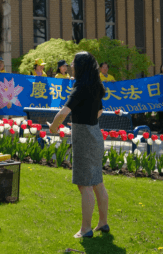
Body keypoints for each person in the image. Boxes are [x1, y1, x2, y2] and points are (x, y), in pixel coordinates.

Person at [49, 52, 109, 239]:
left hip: (84, 139)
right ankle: (103, 223)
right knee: (97, 182)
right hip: (95, 135)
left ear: (81, 66)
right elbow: (99, 112)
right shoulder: (96, 87)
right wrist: (82, 120)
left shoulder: (80, 88)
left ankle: (85, 229)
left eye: (74, 63)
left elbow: (63, 112)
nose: (72, 65)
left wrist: (52, 128)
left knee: (85, 185)